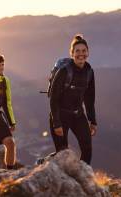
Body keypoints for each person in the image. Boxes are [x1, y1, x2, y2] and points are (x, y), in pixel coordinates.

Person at [49, 34, 97, 165]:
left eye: (84, 51)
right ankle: (46, 165)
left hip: (78, 115)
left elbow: (89, 99)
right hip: (60, 115)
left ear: (88, 52)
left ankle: (82, 177)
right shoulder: (64, 71)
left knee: (87, 148)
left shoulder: (89, 72)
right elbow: (53, 98)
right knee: (63, 153)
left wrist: (93, 121)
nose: (81, 54)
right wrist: (57, 123)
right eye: (77, 51)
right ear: (72, 53)